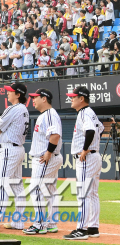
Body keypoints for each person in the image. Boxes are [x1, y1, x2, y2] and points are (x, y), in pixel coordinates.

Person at [0, 83, 29, 232]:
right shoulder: (24, 109)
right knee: (17, 187)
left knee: (3, 185)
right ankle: (19, 221)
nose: (8, 93)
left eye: (11, 91)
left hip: (9, 149)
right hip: (17, 148)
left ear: (18, 94)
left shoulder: (14, 108)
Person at [63, 86, 103, 240]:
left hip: (87, 157)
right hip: (94, 156)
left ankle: (82, 228)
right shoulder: (90, 113)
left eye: (73, 97)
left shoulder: (85, 112)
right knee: (92, 193)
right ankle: (93, 227)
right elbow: (99, 129)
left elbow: (92, 131)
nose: (71, 99)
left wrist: (85, 149)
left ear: (81, 98)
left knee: (84, 193)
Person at [24, 88, 62, 235]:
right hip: (49, 157)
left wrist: (48, 153)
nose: (33, 99)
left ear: (44, 99)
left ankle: (39, 223)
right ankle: (51, 223)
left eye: (36, 97)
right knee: (50, 190)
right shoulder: (46, 115)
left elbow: (55, 135)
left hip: (46, 158)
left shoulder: (50, 114)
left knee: (36, 189)